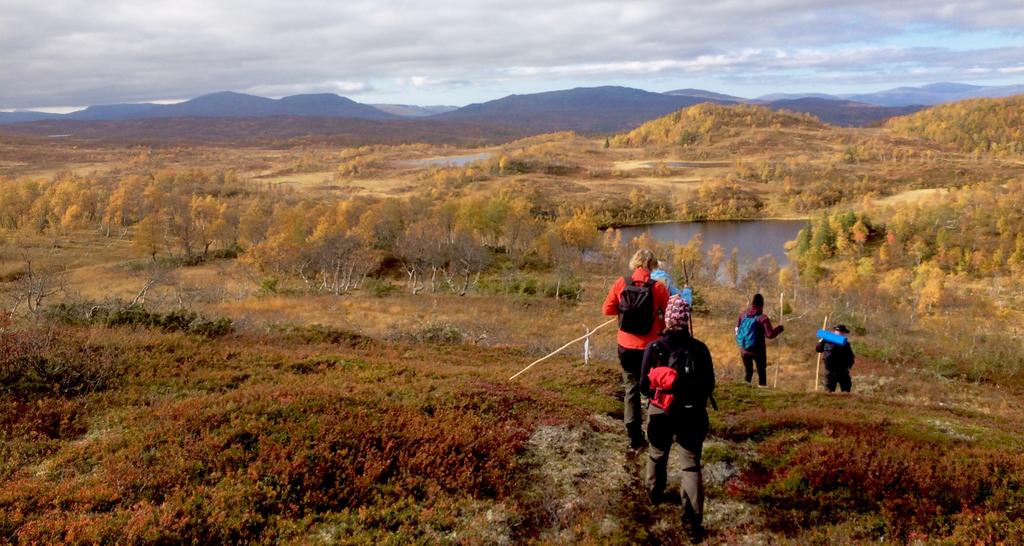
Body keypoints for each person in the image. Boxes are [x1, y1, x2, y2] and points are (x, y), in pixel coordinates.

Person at [640, 295, 715, 542]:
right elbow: (709, 385)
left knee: (657, 452)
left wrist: (660, 398)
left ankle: (654, 492)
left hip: (661, 412)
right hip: (692, 415)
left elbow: (643, 386)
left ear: (667, 318)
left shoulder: (654, 347)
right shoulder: (700, 349)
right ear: (686, 319)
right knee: (690, 465)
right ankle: (693, 522)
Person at [603, 249, 670, 449]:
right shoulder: (658, 288)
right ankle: (655, 430)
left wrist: (624, 312)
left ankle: (633, 434)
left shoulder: (621, 283)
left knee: (630, 388)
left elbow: (606, 309)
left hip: (625, 346)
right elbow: (668, 318)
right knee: (653, 388)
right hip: (650, 348)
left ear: (634, 263)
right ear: (652, 265)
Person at [735, 293, 783, 386]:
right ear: (762, 304)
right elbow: (769, 334)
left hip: (744, 350)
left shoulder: (743, 315)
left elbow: (737, 329)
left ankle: (744, 391)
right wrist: (779, 329)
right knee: (761, 373)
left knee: (748, 373)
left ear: (752, 303)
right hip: (758, 351)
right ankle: (762, 392)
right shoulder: (762, 318)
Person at [817, 324, 855, 392]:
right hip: (830, 370)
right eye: (840, 331)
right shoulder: (826, 341)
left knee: (846, 390)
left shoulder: (845, 343)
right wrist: (820, 342)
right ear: (835, 332)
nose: (841, 333)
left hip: (842, 370)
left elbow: (850, 356)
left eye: (842, 332)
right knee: (829, 391)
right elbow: (818, 349)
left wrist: (849, 366)